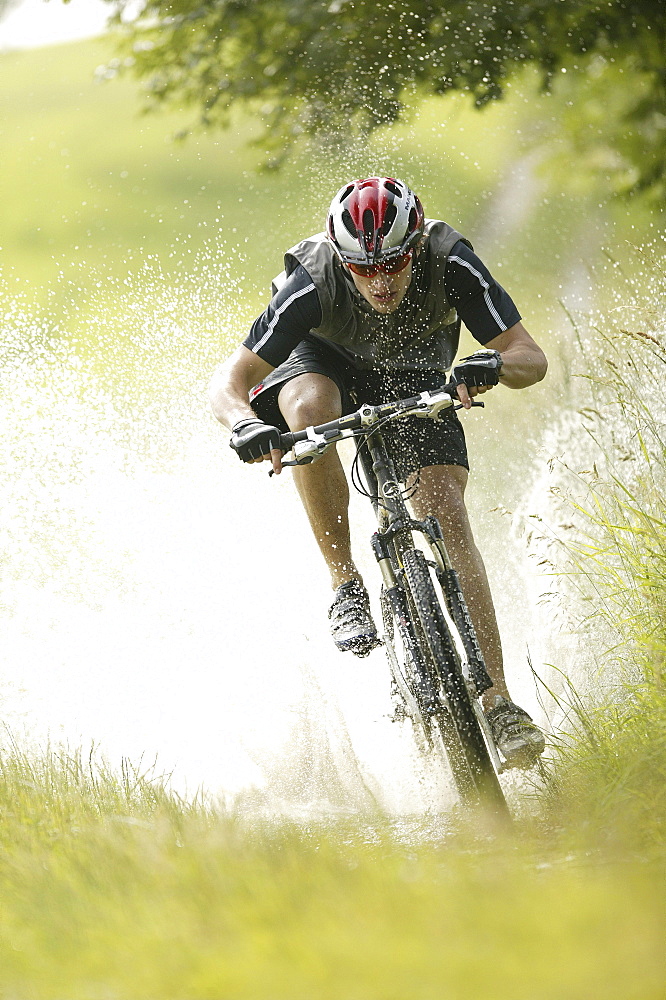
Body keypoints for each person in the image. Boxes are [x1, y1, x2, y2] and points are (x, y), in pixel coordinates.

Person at [210, 176, 547, 768]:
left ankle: (498, 702)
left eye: (393, 263)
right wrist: (243, 424)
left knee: (444, 509)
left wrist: (493, 361)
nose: (381, 281)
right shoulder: (311, 281)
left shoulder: (451, 260)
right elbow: (229, 380)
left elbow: (530, 355)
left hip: (416, 369)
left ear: (415, 244)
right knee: (309, 410)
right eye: (364, 269)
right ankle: (345, 584)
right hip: (323, 364)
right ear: (343, 259)